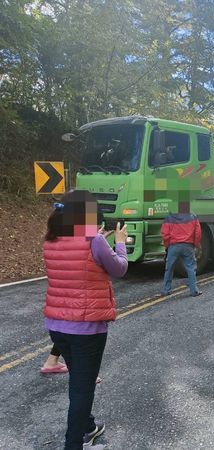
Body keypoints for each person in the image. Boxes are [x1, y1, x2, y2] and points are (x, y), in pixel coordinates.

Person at [43, 191, 128, 449]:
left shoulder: (50, 240)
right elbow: (120, 268)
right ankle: (74, 444)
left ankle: (89, 426)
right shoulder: (94, 240)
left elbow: (81, 259)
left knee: (80, 380)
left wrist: (103, 241)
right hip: (87, 329)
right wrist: (121, 242)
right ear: (85, 214)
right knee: (83, 388)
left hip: (56, 326)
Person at [161, 211, 202, 296]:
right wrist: (195, 244)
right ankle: (194, 290)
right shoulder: (193, 216)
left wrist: (167, 245)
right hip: (188, 246)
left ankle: (166, 290)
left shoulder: (169, 216)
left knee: (169, 268)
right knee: (190, 268)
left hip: (173, 246)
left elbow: (165, 233)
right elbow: (198, 233)